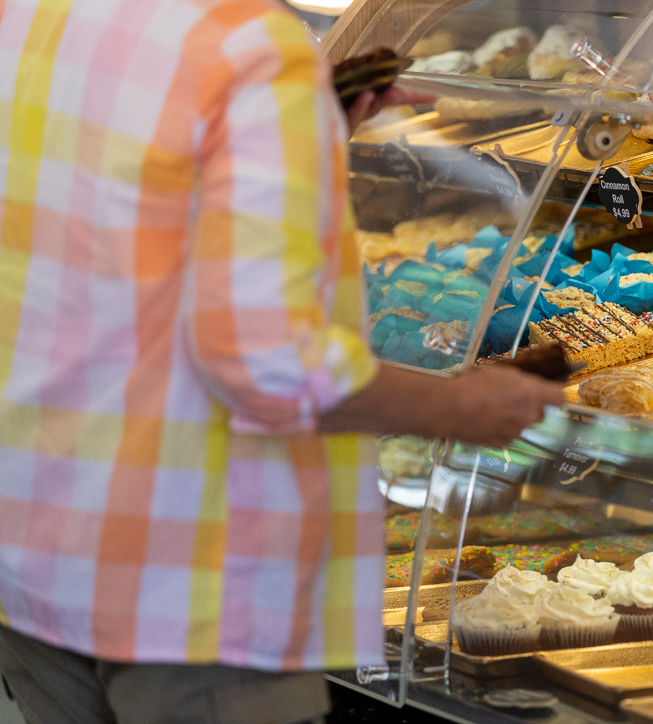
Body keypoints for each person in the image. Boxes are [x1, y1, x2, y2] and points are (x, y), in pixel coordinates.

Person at [0, 1, 565, 722]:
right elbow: (268, 363)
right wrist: (463, 408)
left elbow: (104, 209)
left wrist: (297, 133)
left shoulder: (30, 16)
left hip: (36, 538)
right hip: (189, 583)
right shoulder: (244, 48)